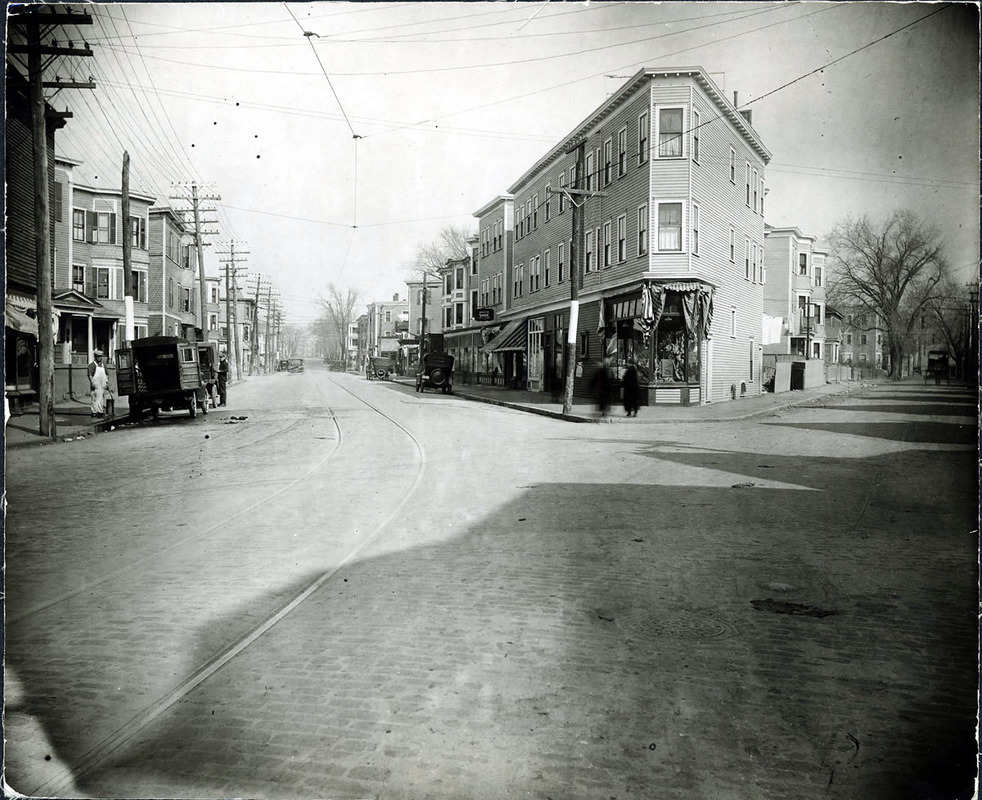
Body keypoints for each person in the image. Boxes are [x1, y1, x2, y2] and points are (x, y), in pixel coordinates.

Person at [88, 350, 109, 417]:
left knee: (101, 398)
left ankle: (100, 411)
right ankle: (94, 412)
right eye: (98, 356)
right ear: (95, 357)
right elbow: (90, 375)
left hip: (102, 384)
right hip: (95, 384)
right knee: (94, 398)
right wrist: (92, 383)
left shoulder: (103, 365)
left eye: (100, 356)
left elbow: (107, 374)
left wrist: (107, 382)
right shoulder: (92, 365)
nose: (99, 358)